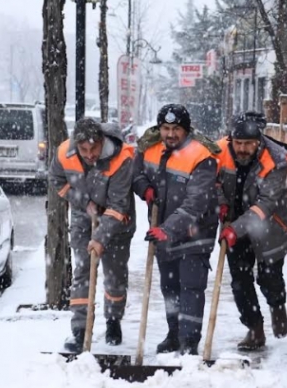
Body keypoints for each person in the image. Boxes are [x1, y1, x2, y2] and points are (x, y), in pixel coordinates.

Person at [132, 104, 220, 356]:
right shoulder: (149, 148)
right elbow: (136, 173)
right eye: (165, 128)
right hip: (163, 233)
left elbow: (196, 202)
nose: (170, 134)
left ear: (186, 129)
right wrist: (144, 188)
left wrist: (169, 229)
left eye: (176, 129)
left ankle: (189, 341)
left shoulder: (201, 156)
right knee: (169, 288)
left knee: (190, 288)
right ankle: (173, 334)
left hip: (195, 233)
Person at [49, 117, 136, 355]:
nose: (89, 155)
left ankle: (113, 320)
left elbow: (119, 205)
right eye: (83, 150)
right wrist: (83, 202)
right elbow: (57, 180)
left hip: (117, 222)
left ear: (101, 142)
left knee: (114, 276)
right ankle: (80, 330)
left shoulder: (121, 159)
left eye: (93, 149)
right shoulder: (64, 153)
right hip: (82, 219)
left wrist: (100, 237)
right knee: (83, 273)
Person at [215, 111, 287, 351]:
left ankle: (277, 304)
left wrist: (236, 229)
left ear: (258, 141)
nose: (242, 149)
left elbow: (267, 203)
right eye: (237, 143)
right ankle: (255, 328)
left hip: (269, 227)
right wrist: (220, 201)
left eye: (248, 144)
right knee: (240, 281)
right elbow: (212, 180)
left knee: (269, 277)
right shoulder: (219, 151)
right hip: (233, 223)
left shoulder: (276, 159)